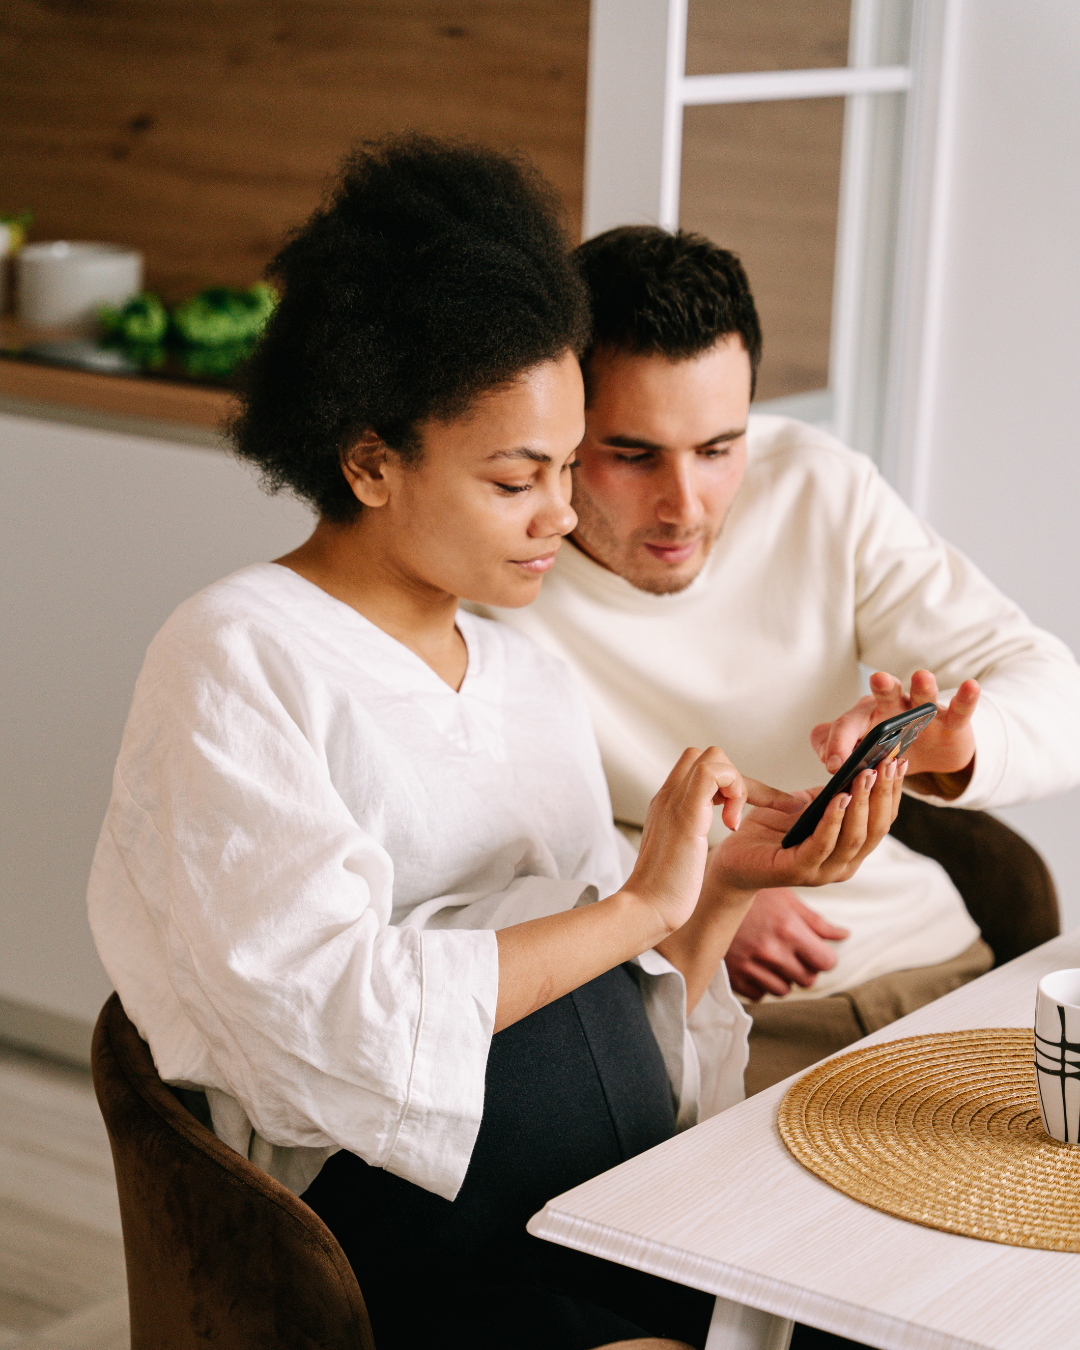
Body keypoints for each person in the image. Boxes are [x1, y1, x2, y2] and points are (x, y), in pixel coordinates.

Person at [87, 142, 904, 1350]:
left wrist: (715, 892)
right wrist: (637, 910)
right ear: (369, 460)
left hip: (588, 1199)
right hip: (395, 1219)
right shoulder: (237, 655)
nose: (565, 516)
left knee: (864, 1288)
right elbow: (327, 1025)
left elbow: (631, 1007)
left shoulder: (525, 672)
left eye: (570, 468)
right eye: (519, 479)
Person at [478, 224, 1080, 1096]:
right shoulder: (493, 579)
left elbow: (1056, 690)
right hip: (726, 1028)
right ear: (566, 427)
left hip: (945, 972)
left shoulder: (817, 486)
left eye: (720, 449)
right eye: (632, 455)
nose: (683, 505)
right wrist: (698, 894)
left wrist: (953, 748)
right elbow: (478, 858)